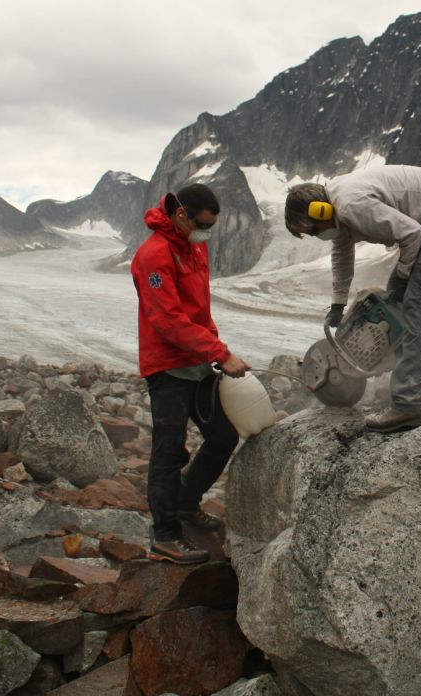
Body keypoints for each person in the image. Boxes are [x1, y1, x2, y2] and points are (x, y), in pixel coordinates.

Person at [284, 164, 421, 432]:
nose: (317, 236)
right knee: (393, 307)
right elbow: (341, 256)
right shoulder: (340, 209)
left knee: (417, 306)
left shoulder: (349, 205)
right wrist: (337, 303)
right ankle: (417, 392)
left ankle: (410, 404)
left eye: (313, 230)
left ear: (320, 210)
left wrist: (402, 274)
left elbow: (411, 233)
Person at [131, 183, 251, 564]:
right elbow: (167, 320)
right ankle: (165, 537)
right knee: (169, 450)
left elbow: (198, 308)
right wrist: (220, 352)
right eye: (202, 225)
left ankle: (185, 501)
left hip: (198, 362)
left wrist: (211, 348)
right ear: (181, 215)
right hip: (167, 366)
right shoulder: (154, 255)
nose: (207, 234)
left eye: (211, 227)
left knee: (222, 436)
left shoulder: (194, 244)